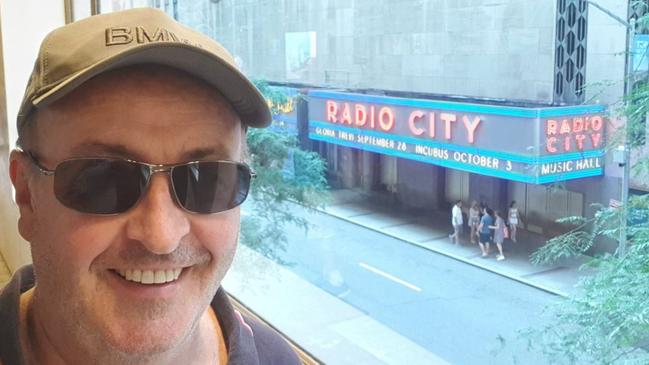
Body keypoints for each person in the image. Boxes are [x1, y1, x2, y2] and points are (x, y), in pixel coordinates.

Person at [0, 8, 300, 365]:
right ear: (27, 195)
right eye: (104, 179)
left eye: (206, 178)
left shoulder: (276, 359)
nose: (161, 236)